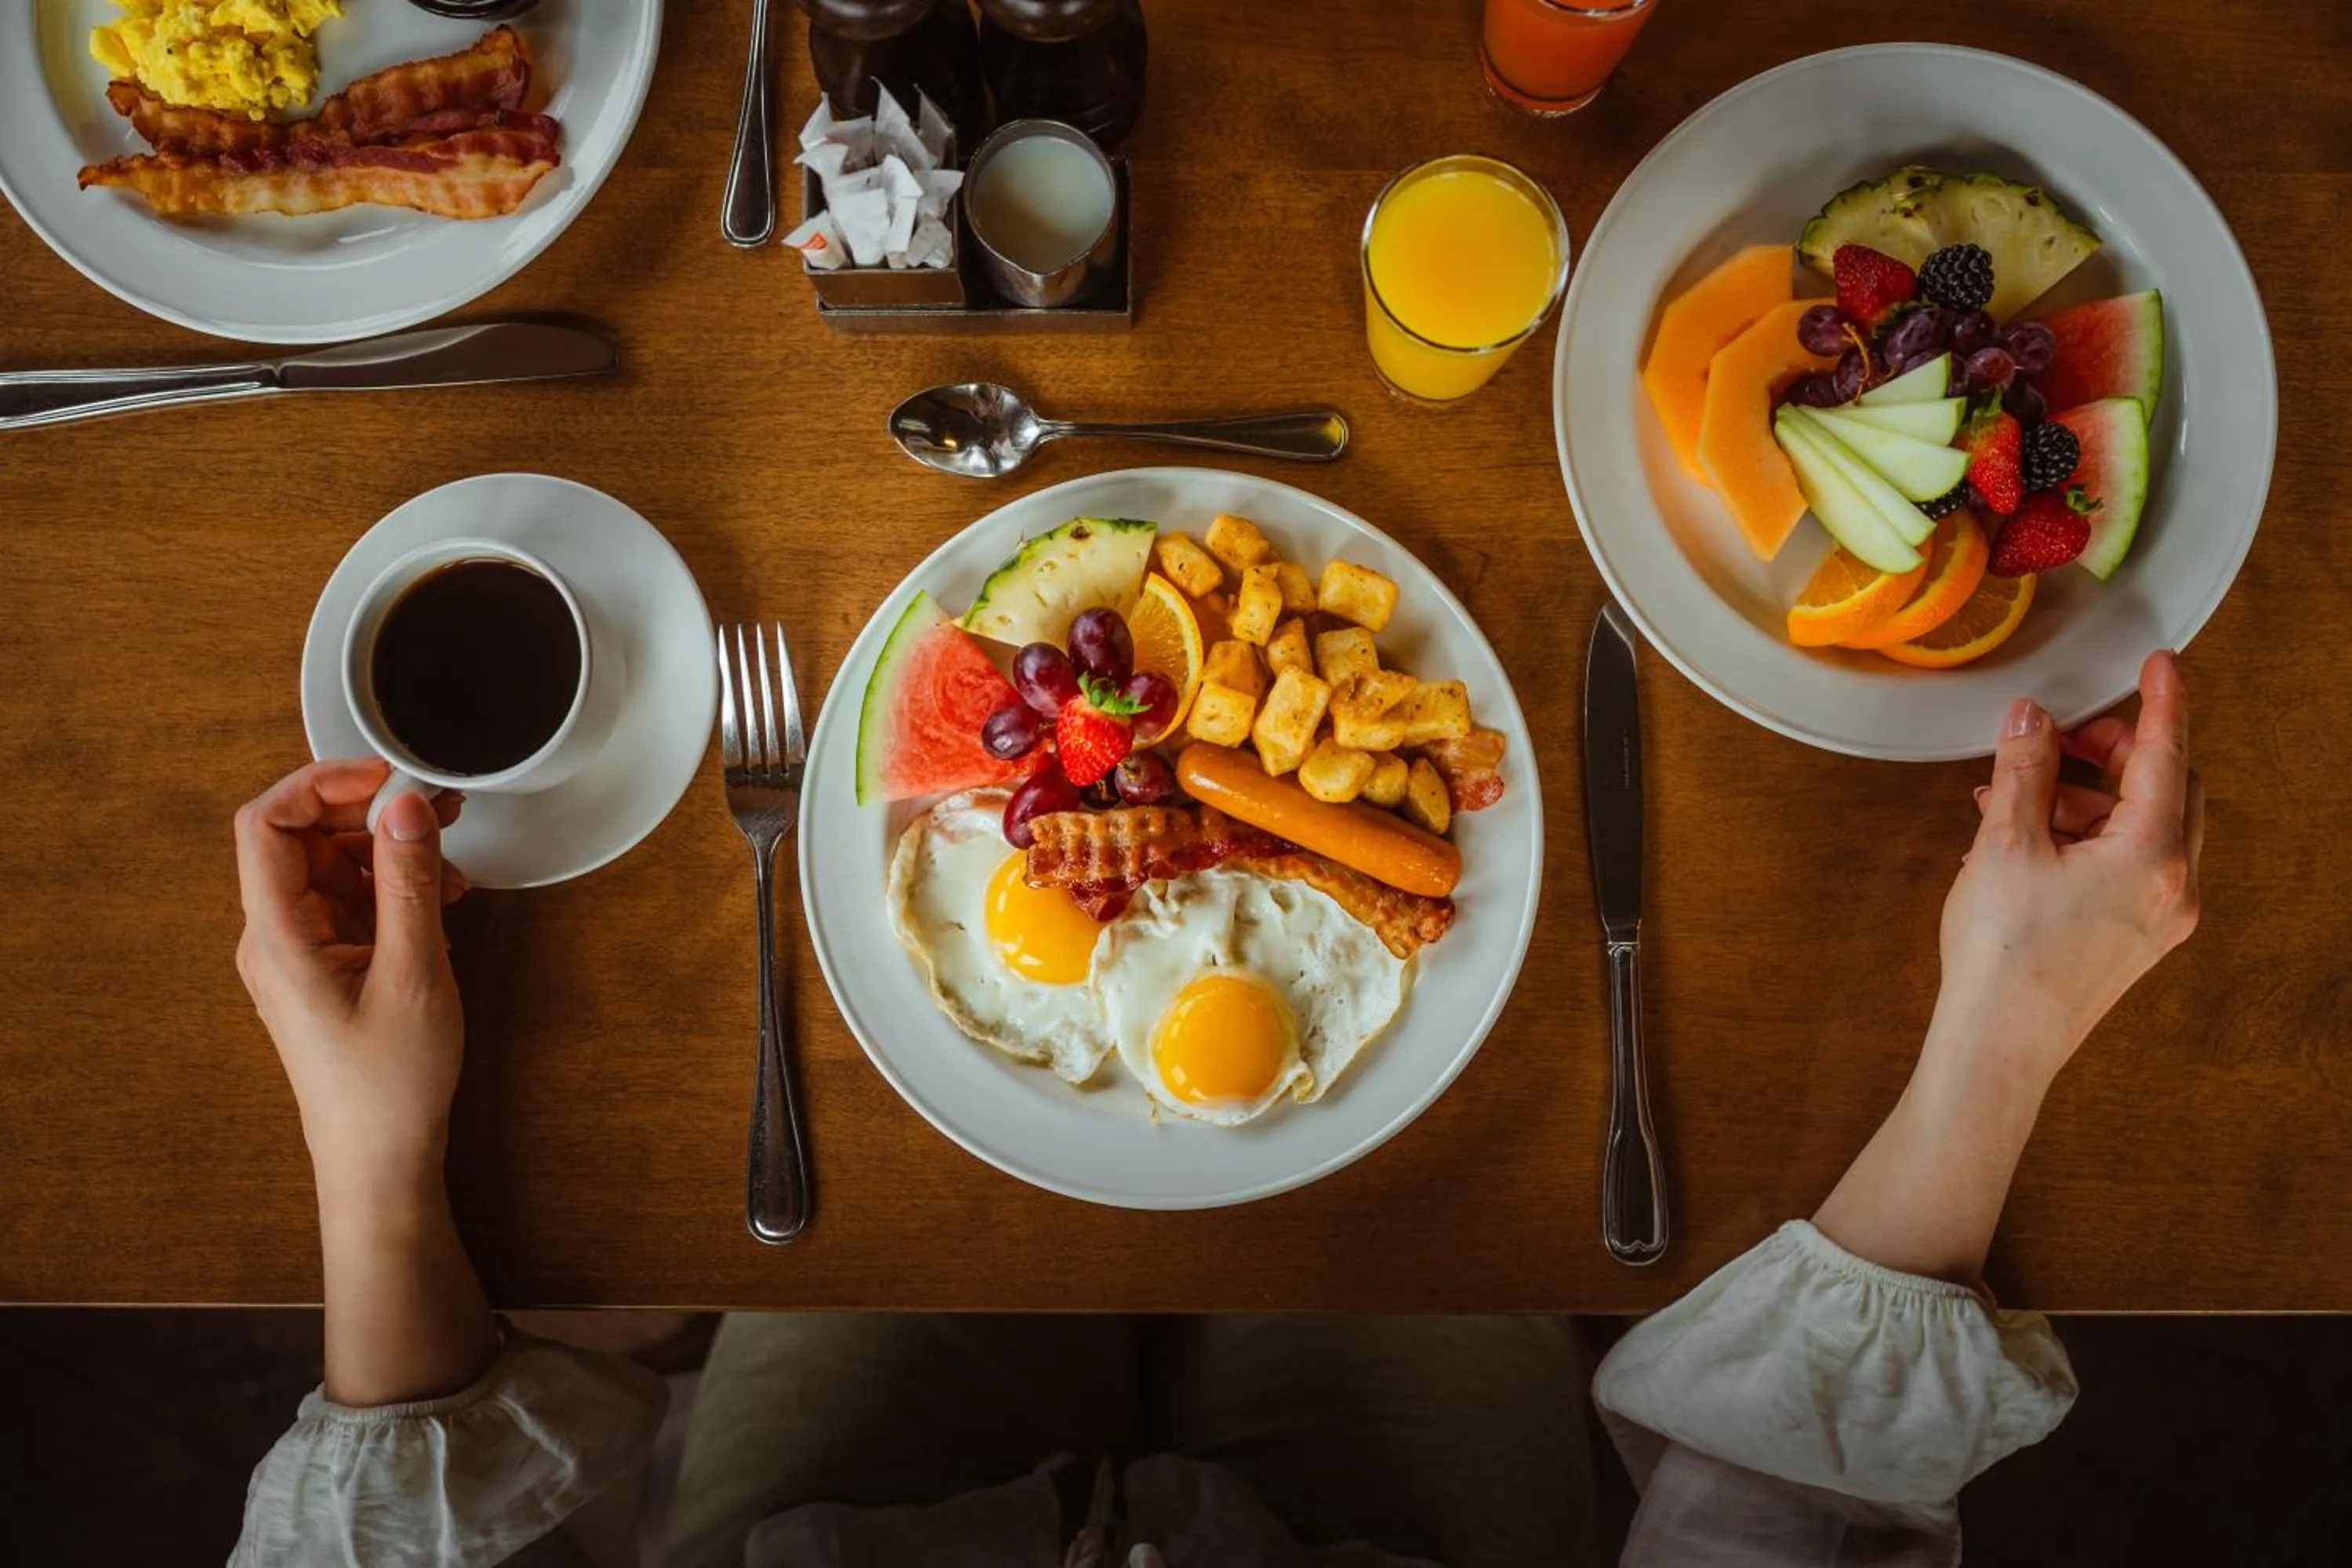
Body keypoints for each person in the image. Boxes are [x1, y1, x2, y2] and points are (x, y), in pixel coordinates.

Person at [228, 651, 2202, 1568]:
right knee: (1433, 1239)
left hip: (865, 1531)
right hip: (1376, 1538)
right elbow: (1787, 1533)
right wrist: (2002, 1036)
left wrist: (375, 1153)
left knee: (879, 1241)